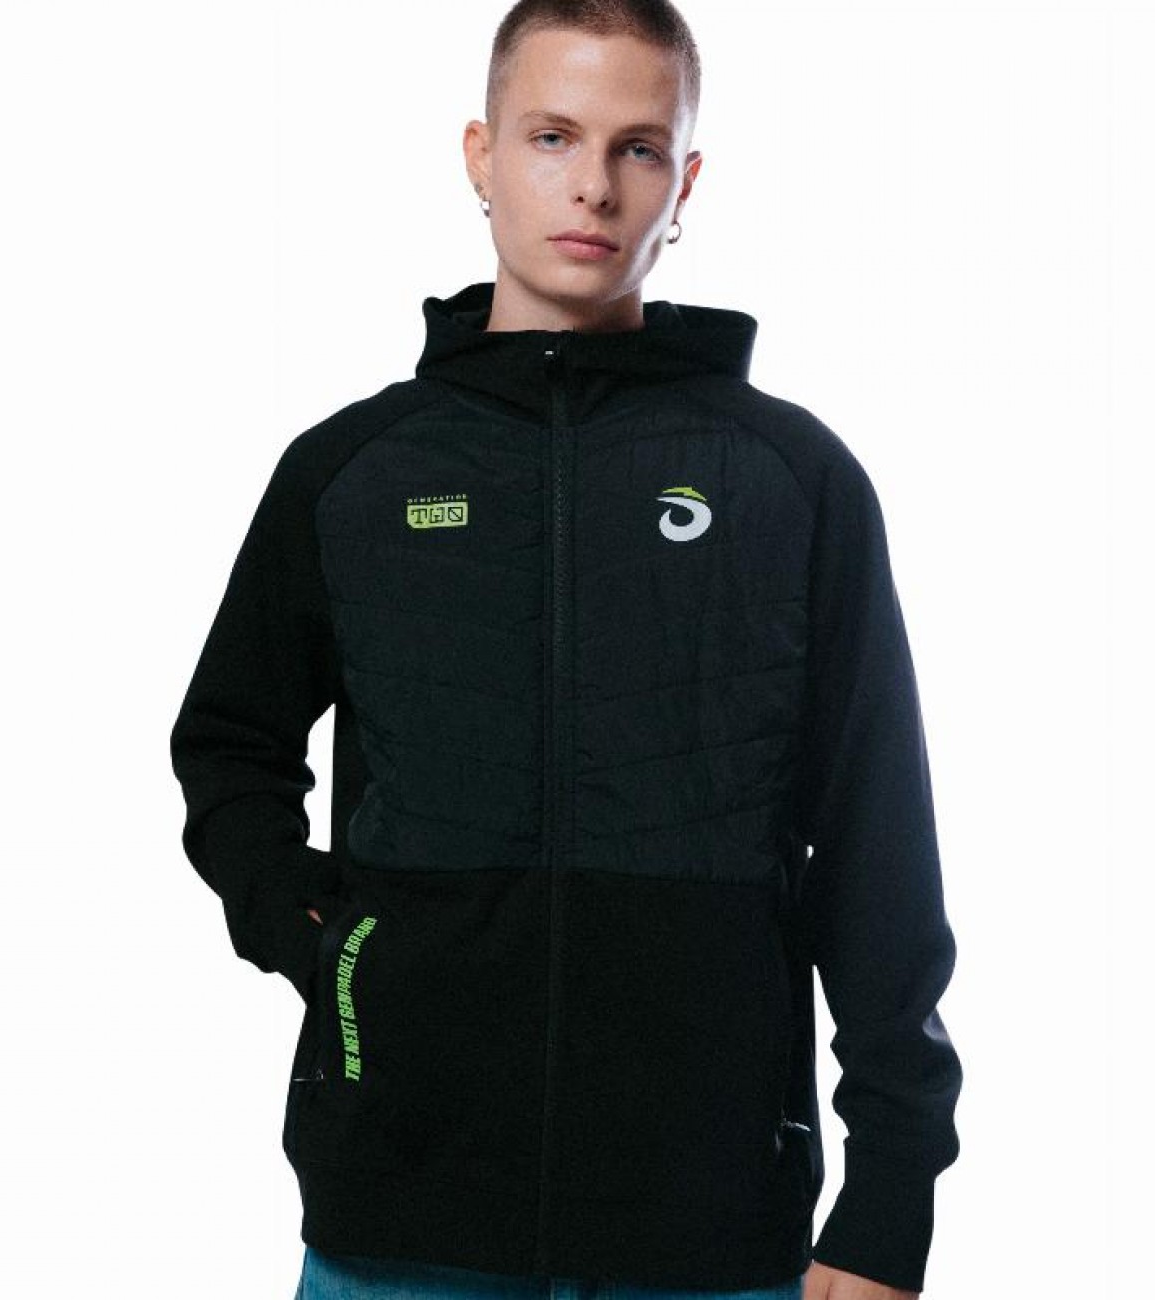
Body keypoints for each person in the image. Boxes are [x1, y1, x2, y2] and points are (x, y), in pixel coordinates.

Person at [168, 1, 964, 1297]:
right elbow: (229, 742)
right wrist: (318, 937)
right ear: (481, 156)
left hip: (709, 1231)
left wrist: (891, 1194)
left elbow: (877, 840)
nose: (593, 184)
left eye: (638, 147)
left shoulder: (788, 480)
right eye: (552, 136)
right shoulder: (354, 472)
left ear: (683, 182)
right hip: (400, 1216)